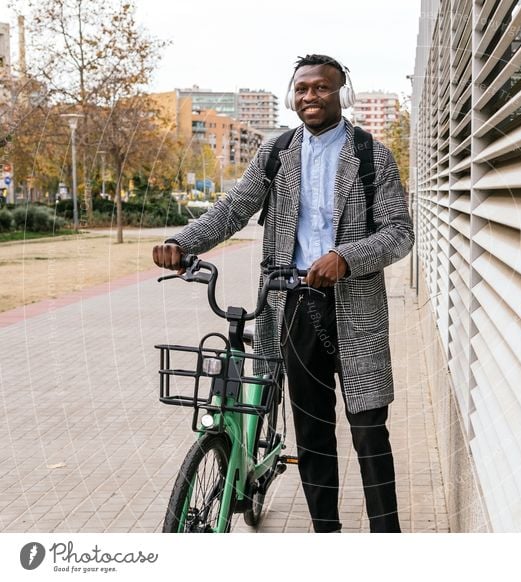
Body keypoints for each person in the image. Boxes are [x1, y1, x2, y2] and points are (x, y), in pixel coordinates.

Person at [152, 54, 414, 533]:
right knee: (313, 432)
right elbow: (233, 209)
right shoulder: (276, 153)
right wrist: (181, 242)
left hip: (357, 311)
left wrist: (347, 257)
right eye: (302, 89)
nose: (310, 96)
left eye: (321, 88)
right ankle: (326, 535)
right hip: (292, 304)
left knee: (369, 430)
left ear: (343, 95)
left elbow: (399, 233)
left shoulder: (373, 155)